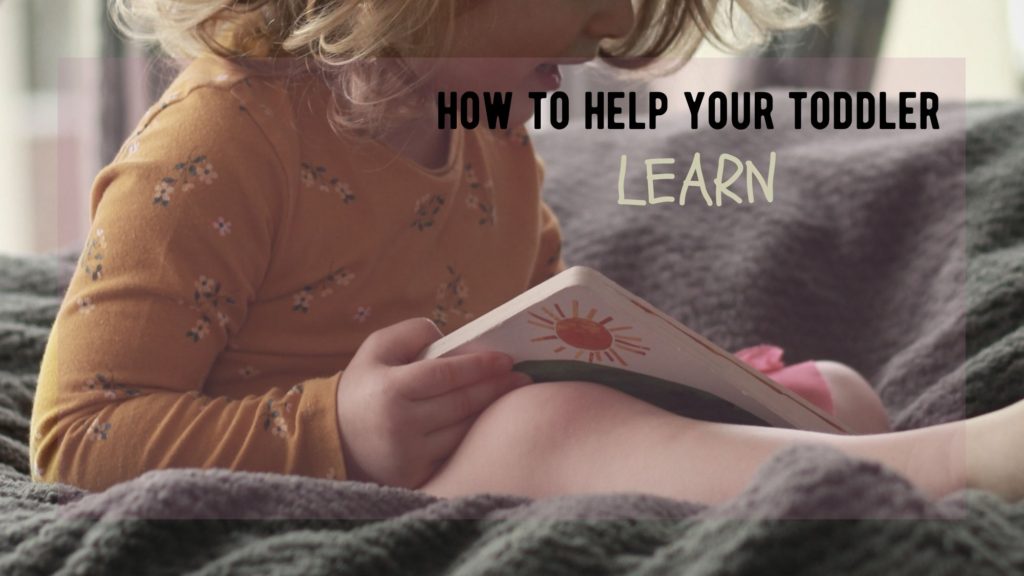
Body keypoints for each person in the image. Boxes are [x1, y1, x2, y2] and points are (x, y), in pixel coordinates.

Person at [30, 0, 1022, 505]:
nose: (608, 30)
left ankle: (825, 462)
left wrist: (693, 380)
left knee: (836, 391)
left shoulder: (489, 135)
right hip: (348, 485)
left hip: (486, 442)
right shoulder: (216, 147)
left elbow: (537, 325)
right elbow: (77, 437)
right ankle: (949, 464)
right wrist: (343, 427)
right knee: (543, 423)